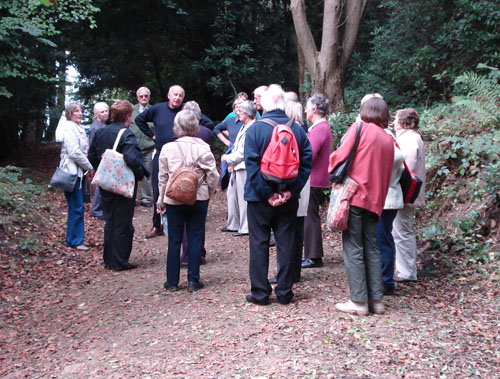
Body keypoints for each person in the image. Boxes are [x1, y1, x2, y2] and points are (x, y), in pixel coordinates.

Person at [244, 84, 312, 306]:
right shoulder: (298, 130)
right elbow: (306, 164)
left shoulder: (255, 129)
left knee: (259, 243)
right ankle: (284, 291)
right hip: (288, 198)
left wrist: (267, 194)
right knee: (286, 243)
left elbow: (251, 166)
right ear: (283, 104)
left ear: (263, 104)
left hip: (259, 199)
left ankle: (261, 294)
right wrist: (291, 191)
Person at [328, 97, 394, 316]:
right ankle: (376, 300)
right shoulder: (388, 139)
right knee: (372, 247)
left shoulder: (360, 128)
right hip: (375, 200)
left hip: (355, 196)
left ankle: (358, 301)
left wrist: (331, 162)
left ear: (365, 111)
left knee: (353, 246)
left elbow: (340, 156)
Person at [157, 110, 219, 292]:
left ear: (177, 127)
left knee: (174, 239)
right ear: (195, 127)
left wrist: (161, 199)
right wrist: (208, 190)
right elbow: (213, 175)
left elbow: (162, 177)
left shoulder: (167, 148)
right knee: (195, 237)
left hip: (173, 198)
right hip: (198, 197)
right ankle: (193, 280)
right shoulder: (203, 148)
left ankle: (172, 281)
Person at [88, 100, 149, 271]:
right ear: (129, 116)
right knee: (123, 223)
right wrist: (139, 174)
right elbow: (131, 158)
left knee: (110, 221)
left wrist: (100, 168)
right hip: (122, 184)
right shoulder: (127, 134)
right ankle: (120, 261)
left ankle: (109, 259)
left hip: (106, 183)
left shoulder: (101, 132)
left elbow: (92, 154)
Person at [135, 85, 185, 238]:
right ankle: (157, 225)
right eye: (175, 94)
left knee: (180, 188)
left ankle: (179, 223)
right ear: (169, 95)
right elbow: (139, 119)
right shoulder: (158, 109)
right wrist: (152, 135)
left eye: (180, 95)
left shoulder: (185, 110)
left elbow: (205, 123)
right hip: (161, 155)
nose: (177, 98)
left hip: (180, 156)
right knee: (158, 189)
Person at [179, 101, 214, 266]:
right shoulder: (207, 133)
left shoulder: (177, 137)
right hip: (202, 184)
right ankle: (199, 251)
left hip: (183, 182)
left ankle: (187, 254)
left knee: (186, 222)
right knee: (199, 221)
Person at [392, 108, 426, 282]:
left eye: (396, 119)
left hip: (406, 192)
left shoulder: (410, 138)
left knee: (402, 231)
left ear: (404, 122)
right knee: (401, 230)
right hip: (408, 192)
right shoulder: (412, 136)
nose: (394, 122)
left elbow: (409, 160)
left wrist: (400, 175)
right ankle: (403, 268)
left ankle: (407, 272)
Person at [301, 94, 333, 269]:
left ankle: (313, 256)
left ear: (314, 109)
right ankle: (311, 254)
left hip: (313, 179)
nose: (305, 110)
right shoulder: (319, 128)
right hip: (315, 178)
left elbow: (309, 155)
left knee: (310, 216)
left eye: (307, 107)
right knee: (310, 215)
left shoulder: (319, 129)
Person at [58, 103, 94, 251]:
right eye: (76, 111)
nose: (80, 113)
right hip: (71, 172)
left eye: (81, 111)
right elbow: (74, 153)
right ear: (69, 113)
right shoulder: (69, 128)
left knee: (79, 206)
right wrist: (89, 167)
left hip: (78, 172)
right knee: (76, 206)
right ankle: (74, 240)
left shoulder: (78, 128)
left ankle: (76, 238)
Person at [376, 125, 405, 296]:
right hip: (390, 197)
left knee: (382, 240)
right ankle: (384, 280)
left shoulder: (385, 141)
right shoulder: (391, 139)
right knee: (384, 239)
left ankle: (386, 281)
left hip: (385, 199)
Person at [221, 100, 256, 237]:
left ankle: (245, 227)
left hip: (244, 168)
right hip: (237, 167)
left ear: (247, 113)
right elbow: (237, 147)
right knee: (233, 195)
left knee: (243, 198)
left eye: (240, 111)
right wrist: (231, 164)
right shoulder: (243, 126)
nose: (237, 113)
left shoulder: (251, 127)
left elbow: (243, 152)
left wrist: (228, 158)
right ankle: (235, 225)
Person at [129, 86, 155, 207]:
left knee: (147, 173)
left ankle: (146, 198)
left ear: (149, 97)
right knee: (131, 172)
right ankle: (131, 197)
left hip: (149, 147)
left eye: (146, 95)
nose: (144, 98)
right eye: (141, 96)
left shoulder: (153, 110)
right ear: (137, 97)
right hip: (133, 148)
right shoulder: (131, 110)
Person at [88, 102, 109, 220]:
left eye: (106, 111)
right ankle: (96, 210)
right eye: (102, 112)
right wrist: (93, 164)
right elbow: (92, 146)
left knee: (103, 184)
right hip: (97, 159)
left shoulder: (103, 125)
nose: (105, 114)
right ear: (97, 114)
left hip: (103, 159)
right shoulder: (96, 127)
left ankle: (100, 208)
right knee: (100, 184)